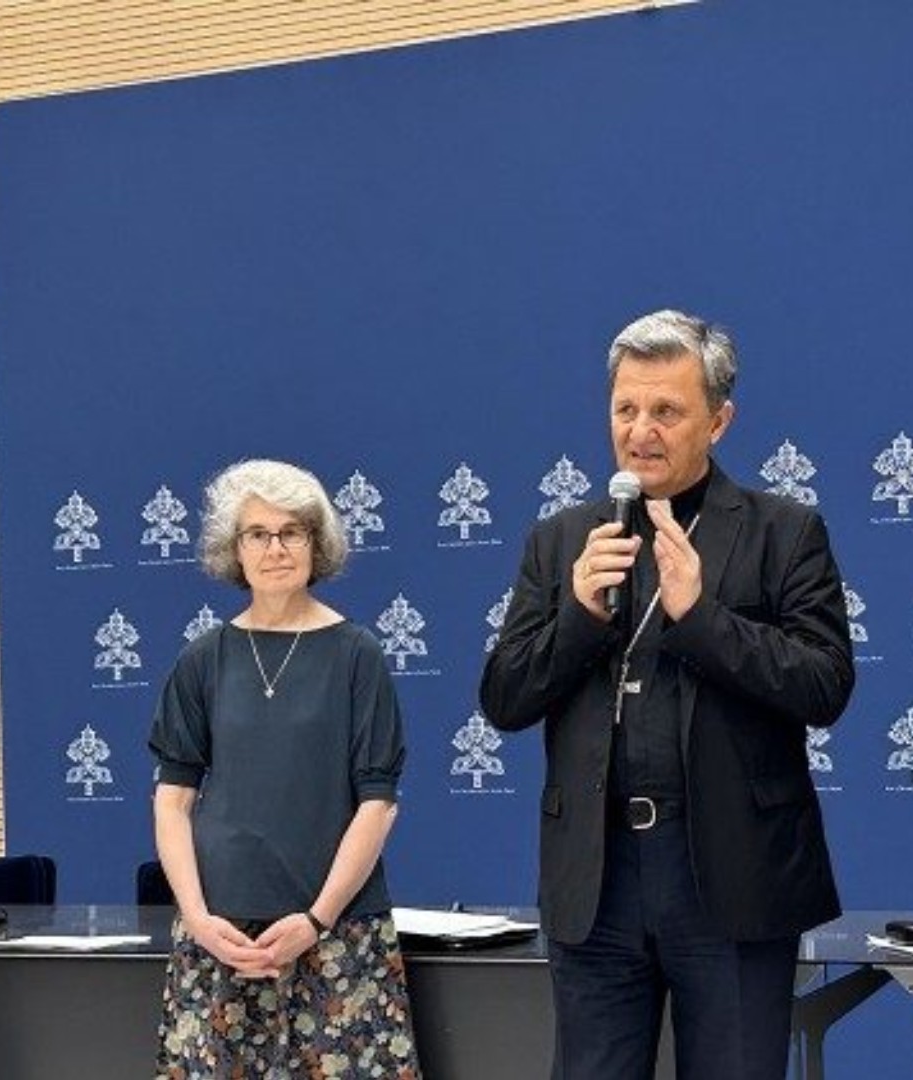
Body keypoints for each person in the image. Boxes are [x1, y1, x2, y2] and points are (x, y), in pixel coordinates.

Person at [481, 309, 854, 1079]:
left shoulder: (782, 532)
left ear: (719, 420)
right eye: (626, 409)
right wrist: (579, 615)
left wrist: (701, 618)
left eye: (666, 410)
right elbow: (505, 698)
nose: (640, 431)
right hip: (598, 877)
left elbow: (823, 684)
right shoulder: (561, 542)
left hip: (729, 875)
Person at [148, 459, 418, 1079]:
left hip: (334, 936)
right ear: (232, 551)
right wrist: (196, 918)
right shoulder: (203, 659)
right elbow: (172, 801)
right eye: (258, 534)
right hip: (221, 939)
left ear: (316, 543)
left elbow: (377, 802)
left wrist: (316, 920)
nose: (276, 548)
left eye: (292, 531)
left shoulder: (357, 654)